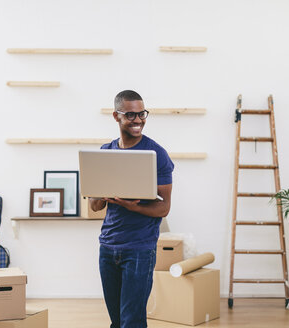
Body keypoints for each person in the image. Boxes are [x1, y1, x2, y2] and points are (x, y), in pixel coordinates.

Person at [90, 90, 174, 328]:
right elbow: (95, 206)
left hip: (139, 248)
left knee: (132, 321)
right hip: (107, 246)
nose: (138, 120)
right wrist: (103, 195)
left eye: (141, 114)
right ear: (116, 117)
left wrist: (132, 207)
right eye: (131, 115)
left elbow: (164, 207)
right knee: (117, 322)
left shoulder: (157, 154)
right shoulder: (105, 153)